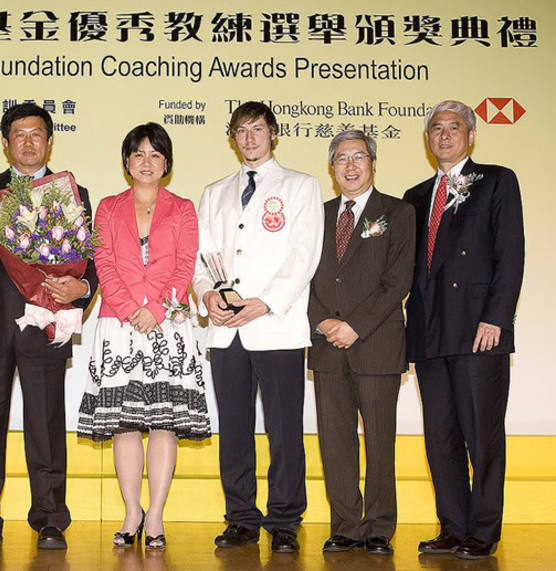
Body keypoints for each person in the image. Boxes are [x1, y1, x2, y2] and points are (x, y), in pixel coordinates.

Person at [0, 103, 98, 550]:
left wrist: (83, 287)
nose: (29, 142)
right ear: (5, 142)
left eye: (37, 134)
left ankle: (51, 518)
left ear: (50, 140)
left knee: (46, 427)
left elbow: (91, 262)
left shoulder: (72, 192)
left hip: (46, 324)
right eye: (19, 135)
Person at [192, 101, 323, 553]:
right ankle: (241, 516)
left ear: (274, 134)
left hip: (277, 326)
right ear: (232, 138)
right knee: (234, 426)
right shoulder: (215, 192)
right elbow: (201, 259)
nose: (249, 138)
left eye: (258, 129)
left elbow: (304, 256)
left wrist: (264, 303)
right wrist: (208, 295)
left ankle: (285, 517)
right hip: (226, 329)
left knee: (284, 427)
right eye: (241, 131)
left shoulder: (301, 186)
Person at [77, 122, 210, 550]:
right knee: (125, 425)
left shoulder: (184, 208)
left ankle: (155, 516)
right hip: (119, 325)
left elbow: (184, 266)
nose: (146, 162)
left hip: (168, 325)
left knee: (164, 423)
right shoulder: (108, 207)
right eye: (138, 154)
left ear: (166, 163)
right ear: (126, 162)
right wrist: (132, 308)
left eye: (155, 155)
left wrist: (154, 309)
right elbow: (104, 262)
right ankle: (132, 510)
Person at [404, 100, 524, 560]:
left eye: (455, 127)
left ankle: (484, 529)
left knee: (482, 435)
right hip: (430, 334)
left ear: (471, 135)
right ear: (427, 138)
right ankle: (453, 526)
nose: (445, 135)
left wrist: (496, 317)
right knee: (441, 439)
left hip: (479, 331)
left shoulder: (496, 180)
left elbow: (510, 254)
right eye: (436, 128)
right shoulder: (415, 197)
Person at [307, 130, 415, 556]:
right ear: (331, 169)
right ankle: (346, 525)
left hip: (376, 344)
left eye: (358, 157)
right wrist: (323, 322)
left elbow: (397, 281)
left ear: (372, 163)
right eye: (341, 159)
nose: (350, 166)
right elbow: (302, 277)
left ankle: (378, 527)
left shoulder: (398, 212)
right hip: (327, 346)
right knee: (335, 442)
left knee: (379, 441)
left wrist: (354, 325)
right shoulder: (316, 214)